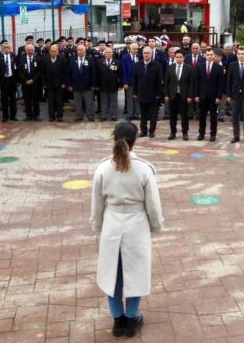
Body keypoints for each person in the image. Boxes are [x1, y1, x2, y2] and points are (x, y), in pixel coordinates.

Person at [90, 121, 164, 338]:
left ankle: (117, 319)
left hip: (112, 223)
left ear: (114, 138)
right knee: (135, 271)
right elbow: (152, 203)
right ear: (135, 140)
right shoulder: (144, 169)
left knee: (113, 271)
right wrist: (156, 224)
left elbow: (97, 203)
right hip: (136, 224)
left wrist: (98, 224)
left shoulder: (103, 168)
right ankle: (132, 318)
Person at [193, 48, 225, 141]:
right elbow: (197, 82)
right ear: (205, 56)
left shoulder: (219, 67)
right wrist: (196, 95)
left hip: (214, 97)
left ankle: (213, 134)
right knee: (202, 116)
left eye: (211, 55)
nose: (210, 56)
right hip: (202, 96)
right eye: (208, 55)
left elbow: (221, 84)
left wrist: (219, 96)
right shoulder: (200, 66)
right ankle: (201, 133)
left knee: (213, 116)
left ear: (214, 56)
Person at [132, 46, 163, 138]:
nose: (146, 54)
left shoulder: (157, 65)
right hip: (141, 94)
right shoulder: (137, 64)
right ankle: (143, 131)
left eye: (148, 53)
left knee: (153, 115)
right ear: (142, 54)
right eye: (145, 53)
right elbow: (135, 79)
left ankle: (151, 131)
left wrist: (158, 94)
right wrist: (135, 92)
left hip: (153, 94)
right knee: (143, 114)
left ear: (151, 54)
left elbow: (159, 80)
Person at [163, 49, 193, 140]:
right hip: (173, 95)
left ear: (184, 58)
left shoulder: (189, 68)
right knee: (172, 116)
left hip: (183, 96)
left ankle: (185, 132)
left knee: (184, 116)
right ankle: (173, 132)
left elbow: (191, 83)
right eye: (177, 57)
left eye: (180, 57)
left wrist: (189, 96)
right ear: (174, 57)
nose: (178, 59)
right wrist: (166, 95)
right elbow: (166, 82)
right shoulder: (170, 67)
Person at [67, 44, 98, 122]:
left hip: (88, 86)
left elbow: (94, 73)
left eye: (81, 50)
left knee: (89, 102)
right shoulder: (72, 60)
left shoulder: (90, 59)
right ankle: (79, 116)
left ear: (85, 51)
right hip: (76, 86)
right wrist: (70, 85)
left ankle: (90, 115)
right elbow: (69, 73)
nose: (79, 52)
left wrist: (93, 84)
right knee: (77, 102)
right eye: (78, 50)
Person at [41, 44, 67, 122]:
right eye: (51, 51)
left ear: (58, 51)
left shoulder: (62, 60)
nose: (53, 53)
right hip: (49, 84)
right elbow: (43, 73)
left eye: (55, 51)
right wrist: (44, 84)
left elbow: (64, 73)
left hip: (59, 84)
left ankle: (59, 116)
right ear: (49, 51)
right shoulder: (45, 60)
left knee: (59, 101)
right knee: (51, 101)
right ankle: (51, 116)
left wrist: (63, 83)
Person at [0, 41, 18, 122]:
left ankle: (13, 115)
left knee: (13, 99)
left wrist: (17, 81)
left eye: (8, 48)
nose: (7, 49)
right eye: (5, 48)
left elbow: (17, 68)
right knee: (4, 100)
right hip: (3, 81)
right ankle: (5, 116)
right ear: (2, 48)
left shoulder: (14, 56)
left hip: (12, 80)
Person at [17, 44, 41, 121]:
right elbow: (19, 71)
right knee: (27, 100)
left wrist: (33, 80)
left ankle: (36, 115)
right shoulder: (21, 59)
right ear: (25, 50)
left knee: (35, 100)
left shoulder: (38, 59)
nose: (30, 51)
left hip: (35, 83)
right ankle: (28, 115)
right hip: (25, 83)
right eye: (28, 50)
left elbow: (39, 71)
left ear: (34, 50)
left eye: (31, 50)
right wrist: (25, 80)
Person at [97, 47, 122, 121]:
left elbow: (120, 74)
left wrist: (120, 85)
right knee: (103, 101)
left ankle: (113, 115)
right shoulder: (99, 62)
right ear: (104, 53)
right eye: (107, 52)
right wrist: (97, 85)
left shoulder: (117, 62)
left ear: (112, 53)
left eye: (110, 52)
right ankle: (103, 115)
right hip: (103, 85)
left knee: (113, 101)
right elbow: (97, 75)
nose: (108, 54)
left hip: (113, 85)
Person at [122, 43, 141, 121]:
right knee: (129, 99)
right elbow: (124, 71)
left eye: (137, 49)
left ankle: (137, 114)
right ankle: (130, 115)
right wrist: (125, 83)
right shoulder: (125, 57)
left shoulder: (140, 57)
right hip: (129, 83)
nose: (136, 50)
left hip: (139, 82)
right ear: (130, 49)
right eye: (134, 49)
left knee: (137, 99)